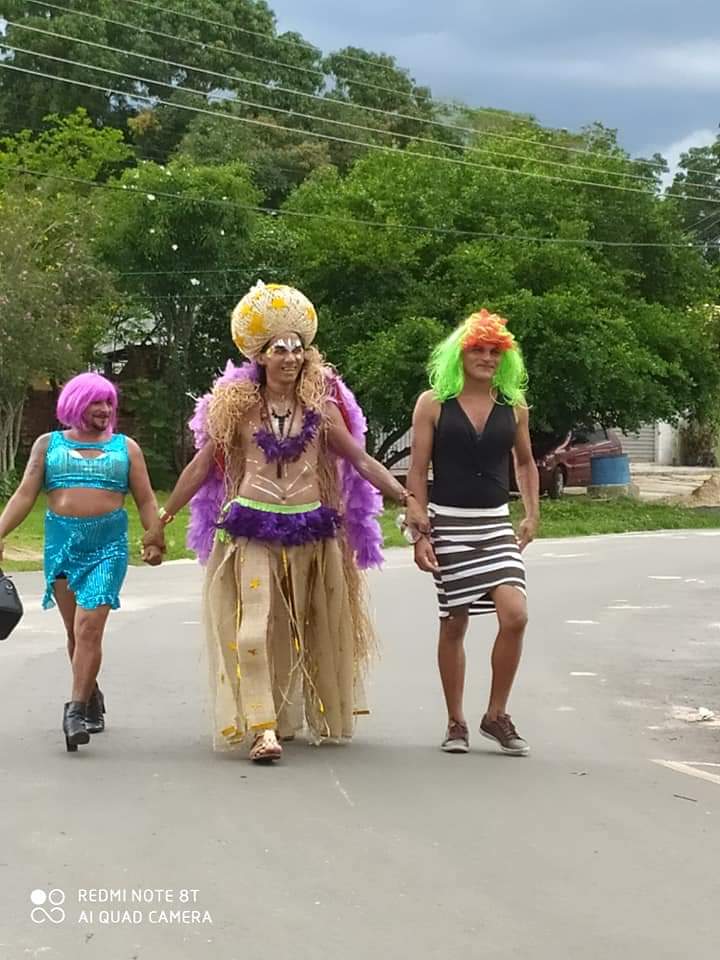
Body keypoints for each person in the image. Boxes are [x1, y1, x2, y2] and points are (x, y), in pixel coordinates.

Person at [143, 281, 425, 763]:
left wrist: (407, 497)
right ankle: (263, 729)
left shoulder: (321, 409)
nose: (290, 358)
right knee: (254, 627)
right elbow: (201, 465)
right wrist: (160, 521)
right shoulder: (236, 407)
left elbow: (360, 460)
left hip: (312, 531)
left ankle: (290, 713)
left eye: (298, 349)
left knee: (305, 628)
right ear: (261, 356)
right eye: (279, 349)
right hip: (251, 527)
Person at [0, 373, 162, 752]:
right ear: (75, 405)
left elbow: (146, 499)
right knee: (75, 632)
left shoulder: (126, 448)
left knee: (89, 629)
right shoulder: (48, 445)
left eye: (108, 403)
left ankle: (73, 711)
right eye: (95, 403)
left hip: (108, 548)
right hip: (62, 547)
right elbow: (24, 495)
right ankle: (91, 693)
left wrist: (154, 536)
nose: (104, 410)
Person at [406, 309, 539, 756]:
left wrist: (532, 513)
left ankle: (495, 715)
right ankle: (456, 721)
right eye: (477, 350)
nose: (485, 357)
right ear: (458, 355)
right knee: (454, 623)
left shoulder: (514, 407)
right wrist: (419, 532)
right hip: (448, 524)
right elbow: (418, 469)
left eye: (494, 351)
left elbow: (524, 462)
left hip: (495, 523)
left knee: (515, 615)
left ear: (505, 358)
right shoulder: (433, 403)